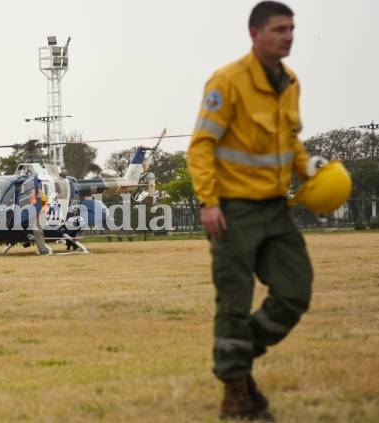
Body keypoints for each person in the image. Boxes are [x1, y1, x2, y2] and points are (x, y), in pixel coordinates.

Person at [187, 2, 326, 420]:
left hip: (275, 208)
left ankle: (237, 363)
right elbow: (201, 146)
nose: (289, 36)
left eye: (292, 29)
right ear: (255, 34)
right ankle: (237, 397)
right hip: (234, 211)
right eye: (280, 29)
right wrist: (209, 202)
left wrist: (311, 170)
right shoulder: (227, 82)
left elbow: (291, 142)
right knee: (234, 302)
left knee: (295, 291)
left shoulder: (290, 82)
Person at [29, 177, 52, 256]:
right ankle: (42, 248)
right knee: (38, 232)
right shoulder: (39, 191)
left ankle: (43, 249)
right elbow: (45, 199)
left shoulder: (36, 192)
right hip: (41, 213)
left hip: (40, 213)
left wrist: (38, 213)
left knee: (38, 232)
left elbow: (38, 203)